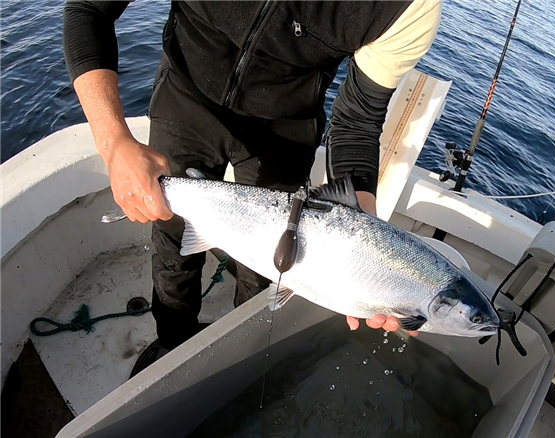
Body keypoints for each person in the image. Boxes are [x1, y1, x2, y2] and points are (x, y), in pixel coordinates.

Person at [63, 0, 442, 353]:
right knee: (171, 239)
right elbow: (89, 9)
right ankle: (171, 345)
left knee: (272, 268)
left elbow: (358, 120)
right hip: (186, 92)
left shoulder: (411, 7)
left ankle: (237, 354)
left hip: (287, 128)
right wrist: (114, 142)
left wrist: (363, 236)